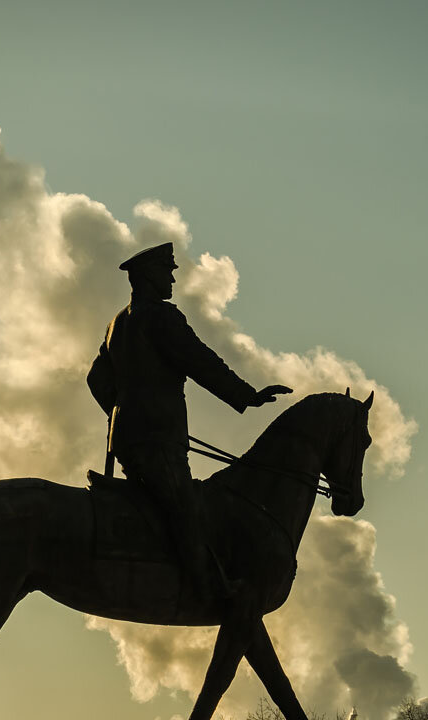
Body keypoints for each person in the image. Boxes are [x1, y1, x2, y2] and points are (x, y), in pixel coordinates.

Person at [87, 242, 291, 600]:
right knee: (187, 510)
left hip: (128, 436)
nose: (172, 279)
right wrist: (246, 395)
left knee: (155, 502)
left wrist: (121, 413)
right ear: (149, 275)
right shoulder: (161, 317)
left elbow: (96, 379)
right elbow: (200, 362)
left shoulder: (116, 323)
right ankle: (204, 588)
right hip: (157, 437)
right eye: (167, 272)